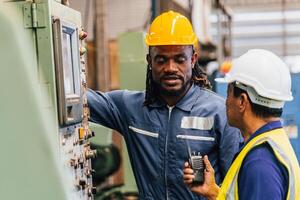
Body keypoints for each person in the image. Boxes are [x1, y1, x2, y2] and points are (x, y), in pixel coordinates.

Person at [87, 10, 241, 200]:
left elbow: (236, 188)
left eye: (179, 59)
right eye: (161, 60)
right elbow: (79, 99)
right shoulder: (130, 108)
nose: (170, 68)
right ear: (149, 61)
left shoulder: (219, 112)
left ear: (192, 60)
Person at [183, 49, 300, 200]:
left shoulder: (259, 164)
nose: (226, 101)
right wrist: (213, 193)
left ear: (242, 101)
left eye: (229, 92)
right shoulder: (274, 142)